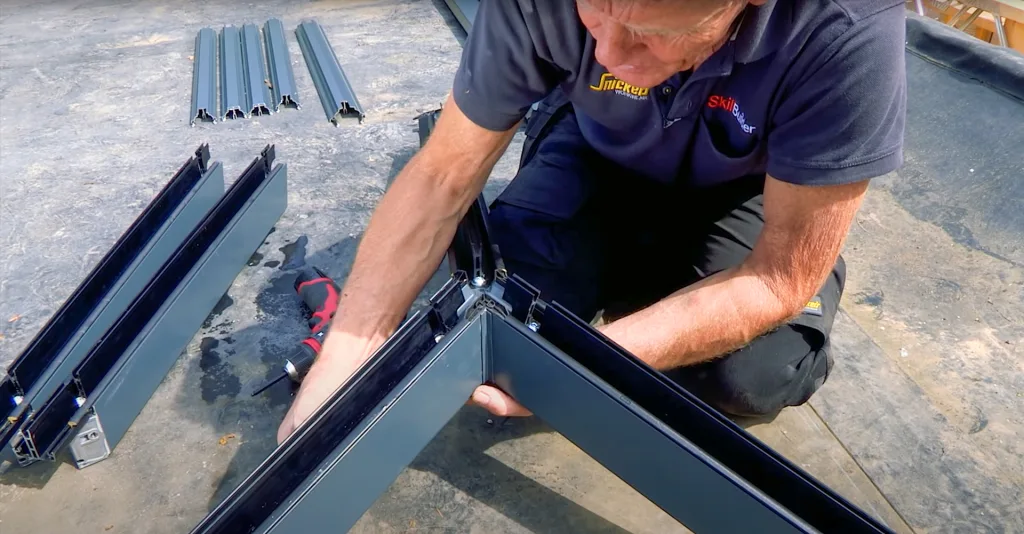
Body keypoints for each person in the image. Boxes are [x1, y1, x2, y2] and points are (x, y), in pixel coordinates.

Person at [277, 0, 907, 443]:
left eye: (647, 30)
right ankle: (632, 271)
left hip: (749, 186)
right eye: (592, 12)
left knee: (747, 379)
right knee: (500, 325)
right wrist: (347, 353)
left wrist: (589, 362)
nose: (606, 52)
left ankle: (650, 282)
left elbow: (776, 276)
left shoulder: (846, 31)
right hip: (596, 145)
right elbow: (443, 176)